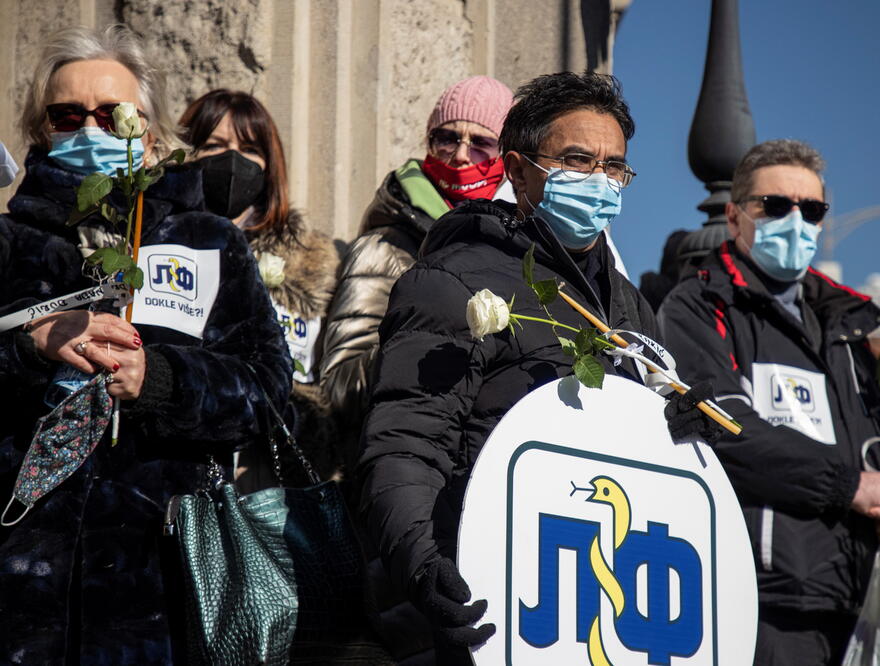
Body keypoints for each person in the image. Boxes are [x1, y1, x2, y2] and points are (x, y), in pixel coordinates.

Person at [356, 71, 679, 663]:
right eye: (578, 160)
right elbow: (406, 445)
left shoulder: (630, 307)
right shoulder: (452, 282)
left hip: (590, 611)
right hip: (478, 608)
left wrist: (690, 430)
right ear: (519, 170)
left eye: (614, 168)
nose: (598, 182)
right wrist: (424, 569)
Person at [0, 25, 290, 663]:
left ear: (151, 136)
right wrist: (27, 344)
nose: (92, 130)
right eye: (68, 115)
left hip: (159, 592)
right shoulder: (8, 243)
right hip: (19, 599)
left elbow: (270, 395)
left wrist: (160, 379)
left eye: (114, 114)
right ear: (40, 130)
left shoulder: (208, 242)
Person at [657, 139, 880, 665]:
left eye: (813, 210)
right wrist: (851, 487)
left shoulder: (844, 324)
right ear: (734, 216)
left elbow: (877, 440)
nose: (796, 221)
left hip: (856, 593)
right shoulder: (701, 305)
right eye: (776, 206)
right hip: (765, 598)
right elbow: (724, 429)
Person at [319, 75, 513, 470]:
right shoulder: (384, 247)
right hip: (403, 462)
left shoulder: (517, 250)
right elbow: (337, 386)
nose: (461, 155)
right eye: (446, 138)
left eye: (481, 144)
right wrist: (423, 346)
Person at [179, 89, 340, 482]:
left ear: (269, 164)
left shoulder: (314, 261)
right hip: (178, 473)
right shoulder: (159, 248)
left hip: (268, 482)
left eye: (250, 149)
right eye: (215, 145)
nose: (233, 160)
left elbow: (322, 390)